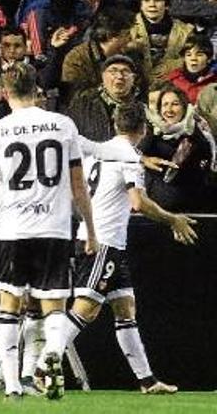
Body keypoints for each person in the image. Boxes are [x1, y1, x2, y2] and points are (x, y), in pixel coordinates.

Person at [0, 66, 98, 400]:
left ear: (5, 93)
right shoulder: (64, 125)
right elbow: (79, 186)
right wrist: (90, 230)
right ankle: (51, 355)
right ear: (37, 90)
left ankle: (13, 384)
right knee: (55, 308)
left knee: (9, 306)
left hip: (13, 229)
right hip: (55, 228)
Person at [65, 104, 196, 395]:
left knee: (125, 309)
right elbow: (138, 202)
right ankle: (40, 363)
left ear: (115, 124)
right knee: (86, 310)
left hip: (102, 239)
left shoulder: (97, 152)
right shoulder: (129, 157)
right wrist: (173, 219)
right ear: (144, 130)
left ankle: (147, 381)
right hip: (103, 241)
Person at [139, 87, 216, 213]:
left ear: (184, 107)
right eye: (165, 105)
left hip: (191, 206)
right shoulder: (148, 132)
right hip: (156, 207)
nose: (169, 110)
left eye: (175, 104)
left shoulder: (198, 134)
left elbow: (205, 170)